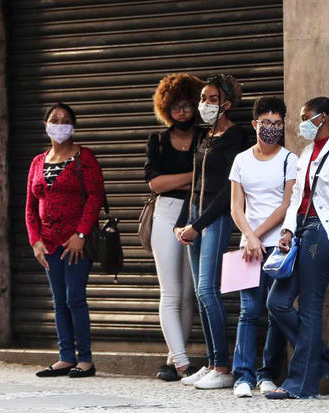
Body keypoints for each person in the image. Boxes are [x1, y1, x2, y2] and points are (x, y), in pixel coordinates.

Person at [264, 97, 329, 399]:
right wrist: (288, 230)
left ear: (323, 119)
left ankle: (300, 384)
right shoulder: (305, 153)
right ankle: (328, 359)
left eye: (306, 116)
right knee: (277, 302)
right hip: (302, 230)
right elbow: (295, 199)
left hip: (325, 233)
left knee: (309, 306)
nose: (301, 122)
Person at [173, 74, 247, 389]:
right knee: (202, 295)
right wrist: (182, 221)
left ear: (227, 103)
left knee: (207, 290)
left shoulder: (236, 137)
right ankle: (211, 360)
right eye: (203, 98)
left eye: (213, 99)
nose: (205, 104)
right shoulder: (205, 136)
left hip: (215, 218)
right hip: (193, 215)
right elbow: (195, 183)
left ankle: (223, 367)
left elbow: (227, 190)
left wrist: (197, 225)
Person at [26, 103, 104, 378]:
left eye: (65, 120)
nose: (59, 124)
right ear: (45, 125)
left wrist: (81, 234)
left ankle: (85, 360)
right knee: (59, 300)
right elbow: (30, 207)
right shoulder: (38, 161)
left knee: (75, 298)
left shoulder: (85, 158)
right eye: (54, 120)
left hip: (74, 244)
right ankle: (65, 357)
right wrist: (35, 241)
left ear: (73, 126)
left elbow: (95, 197)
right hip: (48, 244)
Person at [229, 97, 297, 398]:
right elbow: (235, 207)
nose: (272, 129)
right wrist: (250, 237)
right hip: (248, 247)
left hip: (275, 248)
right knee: (248, 312)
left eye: (277, 124)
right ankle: (242, 375)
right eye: (266, 123)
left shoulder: (288, 159)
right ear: (255, 124)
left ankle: (267, 372)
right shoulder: (241, 160)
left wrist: (257, 234)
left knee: (274, 312)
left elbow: (286, 205)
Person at [145, 73, 204, 382]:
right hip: (166, 215)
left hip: (196, 212)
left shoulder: (205, 137)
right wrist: (194, 175)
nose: (182, 112)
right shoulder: (157, 140)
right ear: (166, 109)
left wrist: (177, 180)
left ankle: (172, 357)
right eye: (176, 107)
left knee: (189, 292)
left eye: (187, 106)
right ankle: (182, 363)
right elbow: (155, 183)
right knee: (170, 290)